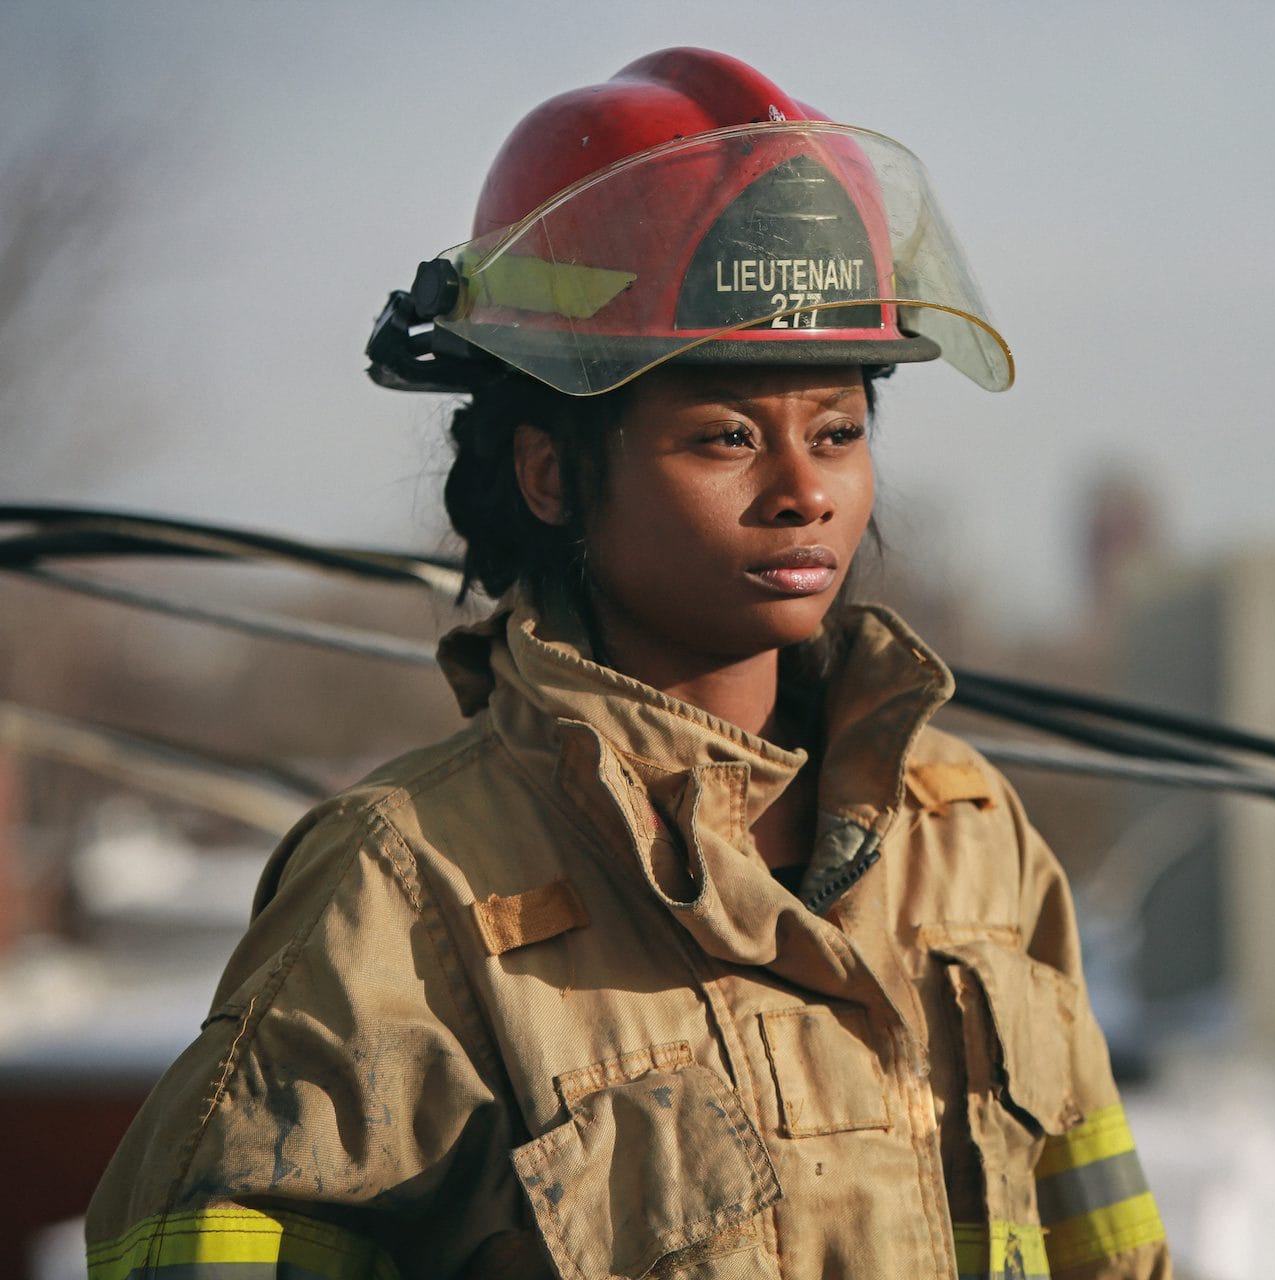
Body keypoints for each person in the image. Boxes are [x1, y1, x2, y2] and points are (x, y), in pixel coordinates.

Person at [85, 47, 1171, 1280]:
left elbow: (1113, 1250)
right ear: (553, 472)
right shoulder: (411, 888)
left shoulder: (972, 836)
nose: (805, 490)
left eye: (839, 429)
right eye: (723, 434)